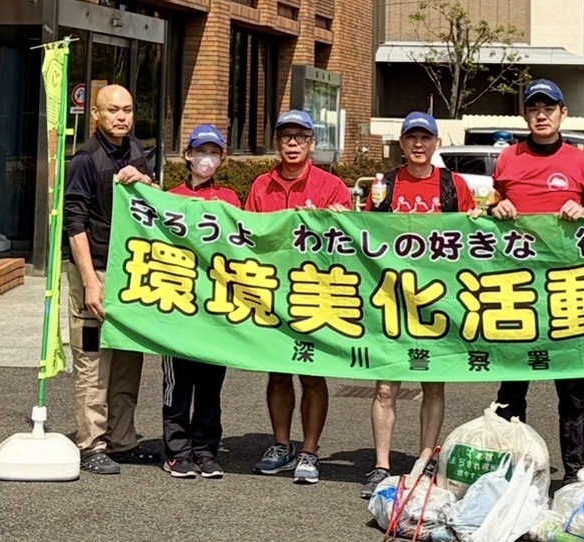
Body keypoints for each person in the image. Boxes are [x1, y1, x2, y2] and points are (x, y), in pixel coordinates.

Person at [487, 79, 584, 485]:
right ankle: (509, 471)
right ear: (525, 114)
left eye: (549, 107)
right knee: (512, 387)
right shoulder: (508, 159)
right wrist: (497, 206)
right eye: (534, 107)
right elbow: (491, 215)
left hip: (566, 292)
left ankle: (576, 473)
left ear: (562, 114)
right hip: (517, 292)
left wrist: (583, 209)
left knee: (571, 390)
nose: (541, 114)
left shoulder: (582, 162)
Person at [358, 111, 480, 499]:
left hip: (437, 300)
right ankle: (381, 465)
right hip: (392, 297)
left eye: (425, 138)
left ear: (436, 143)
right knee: (385, 388)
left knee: (433, 385)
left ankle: (426, 460)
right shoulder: (385, 185)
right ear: (401, 143)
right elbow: (363, 232)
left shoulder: (453, 184)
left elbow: (474, 232)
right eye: (411, 137)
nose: (418, 144)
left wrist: (477, 217)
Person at [245, 109, 352, 484]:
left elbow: (350, 244)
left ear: (312, 143)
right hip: (273, 293)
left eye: (300, 137)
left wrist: (338, 219)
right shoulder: (261, 185)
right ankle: (280, 444)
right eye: (286, 137)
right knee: (277, 373)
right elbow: (247, 238)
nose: (292, 143)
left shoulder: (332, 186)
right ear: (277, 142)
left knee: (311, 375)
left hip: (316, 290)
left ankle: (309, 450)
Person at [64, 84, 160, 474]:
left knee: (127, 357)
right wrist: (89, 281)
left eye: (127, 110)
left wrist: (147, 182)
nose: (121, 117)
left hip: (130, 271)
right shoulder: (85, 159)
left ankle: (122, 440)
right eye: (113, 111)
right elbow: (75, 222)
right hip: (96, 268)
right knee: (93, 360)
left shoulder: (138, 151)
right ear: (97, 116)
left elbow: (157, 205)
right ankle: (91, 443)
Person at [160, 125, 240, 478]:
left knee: (211, 385)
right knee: (177, 385)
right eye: (200, 151)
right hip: (175, 304)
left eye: (214, 152)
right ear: (187, 155)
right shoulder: (168, 197)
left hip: (216, 309)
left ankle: (206, 449)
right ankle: (177, 451)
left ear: (222, 158)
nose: (206, 158)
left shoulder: (230, 200)